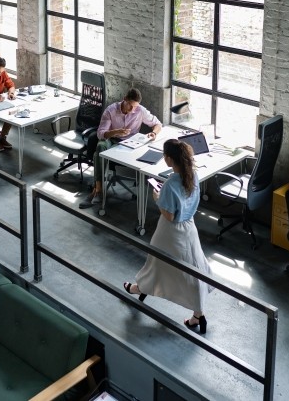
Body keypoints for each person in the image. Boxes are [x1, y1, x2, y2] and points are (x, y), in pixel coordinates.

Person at [122, 140, 213, 333]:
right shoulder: (192, 175)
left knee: (156, 264)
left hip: (170, 232)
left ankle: (138, 289)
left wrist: (157, 198)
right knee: (194, 269)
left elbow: (169, 215)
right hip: (189, 228)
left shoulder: (171, 183)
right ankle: (198, 314)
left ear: (170, 159)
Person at [79, 88, 162, 208]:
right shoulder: (111, 110)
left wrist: (154, 133)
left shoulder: (140, 110)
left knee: (98, 155)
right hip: (112, 139)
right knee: (100, 147)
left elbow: (158, 124)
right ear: (125, 99)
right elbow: (100, 133)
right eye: (130, 106)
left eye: (135, 106)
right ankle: (98, 189)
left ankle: (96, 191)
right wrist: (115, 132)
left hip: (131, 143)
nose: (133, 109)